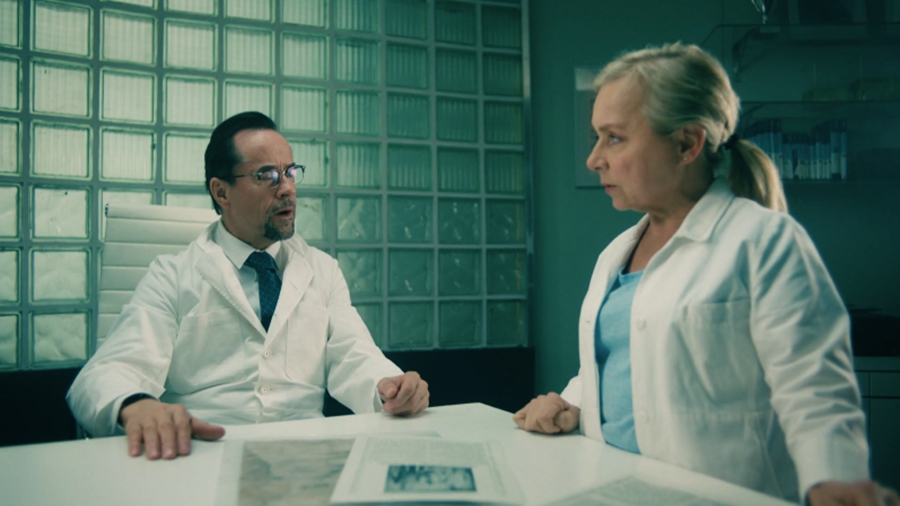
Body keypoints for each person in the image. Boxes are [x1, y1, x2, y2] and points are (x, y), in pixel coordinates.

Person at [513, 43, 898, 505]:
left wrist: (835, 480)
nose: (594, 159)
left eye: (614, 138)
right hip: (612, 489)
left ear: (687, 144)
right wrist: (571, 400)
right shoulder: (615, 254)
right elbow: (622, 358)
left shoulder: (762, 239)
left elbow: (813, 386)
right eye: (597, 137)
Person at [68, 112, 429, 460]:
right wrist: (137, 406)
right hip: (202, 455)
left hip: (303, 460)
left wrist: (391, 388)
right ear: (221, 192)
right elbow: (104, 374)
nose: (287, 188)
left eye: (290, 172)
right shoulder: (173, 275)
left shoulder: (322, 270)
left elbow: (355, 355)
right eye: (267, 175)